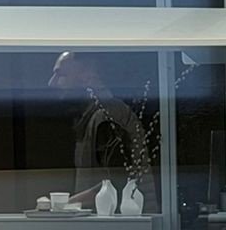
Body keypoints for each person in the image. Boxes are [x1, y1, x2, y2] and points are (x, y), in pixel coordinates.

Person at [48, 51, 152, 206]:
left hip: (123, 220)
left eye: (61, 75)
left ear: (87, 76)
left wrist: (62, 206)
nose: (52, 83)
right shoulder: (96, 117)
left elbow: (119, 183)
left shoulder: (107, 117)